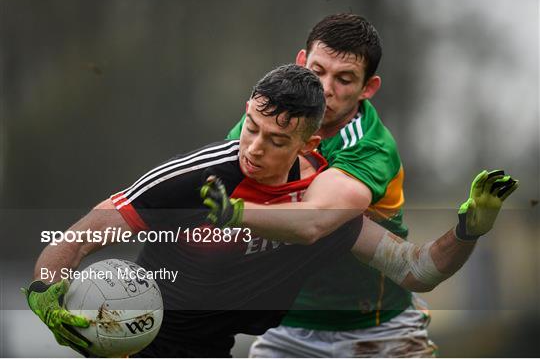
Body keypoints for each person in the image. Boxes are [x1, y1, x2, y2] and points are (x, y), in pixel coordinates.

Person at [23, 64, 517, 357]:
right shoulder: (195, 177)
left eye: (276, 140)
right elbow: (80, 236)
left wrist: (470, 228)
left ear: (310, 141)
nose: (253, 148)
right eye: (252, 127)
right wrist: (46, 291)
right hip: (139, 341)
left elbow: (417, 270)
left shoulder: (322, 207)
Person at [223, 13, 487, 357]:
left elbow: (315, 221)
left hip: (377, 332)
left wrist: (238, 209)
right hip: (289, 327)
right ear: (301, 62)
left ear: (368, 88)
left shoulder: (371, 147)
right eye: (317, 72)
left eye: (344, 79)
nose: (325, 89)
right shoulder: (264, 122)